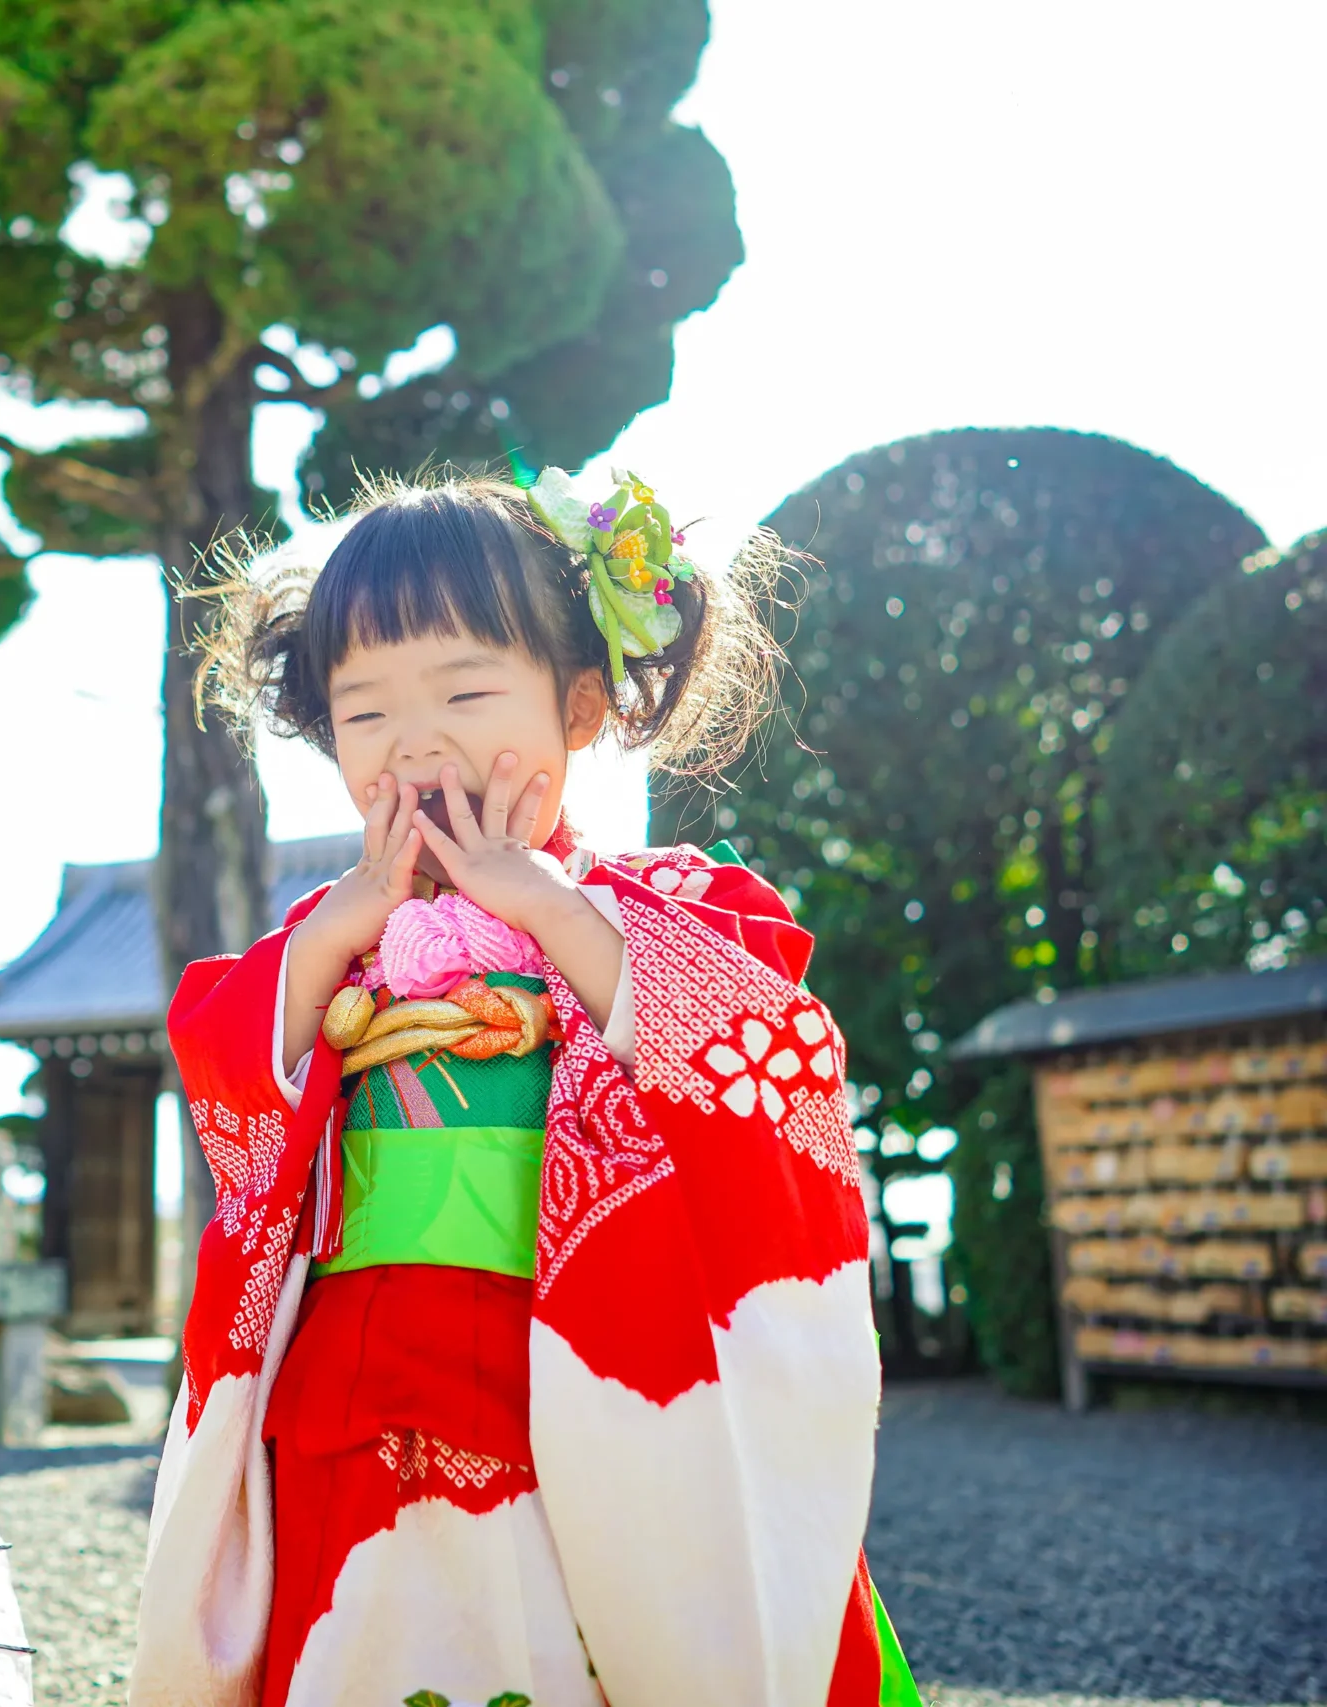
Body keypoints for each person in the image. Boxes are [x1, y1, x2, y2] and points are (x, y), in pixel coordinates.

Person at [130, 470, 918, 1707]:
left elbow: (769, 1055)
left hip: (581, 1378)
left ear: (582, 708)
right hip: (355, 1383)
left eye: (463, 689)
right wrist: (336, 936)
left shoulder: (667, 908)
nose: (414, 739)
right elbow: (231, 1066)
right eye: (364, 709)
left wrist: (548, 909)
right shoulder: (327, 935)